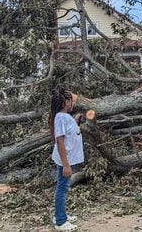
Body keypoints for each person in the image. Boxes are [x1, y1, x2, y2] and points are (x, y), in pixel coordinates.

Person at [48, 88, 84, 231]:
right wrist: (66, 165)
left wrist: (75, 121)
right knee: (62, 188)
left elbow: (69, 132)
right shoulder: (61, 118)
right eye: (71, 101)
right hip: (65, 159)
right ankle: (60, 221)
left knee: (63, 187)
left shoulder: (64, 116)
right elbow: (60, 141)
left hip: (66, 159)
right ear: (65, 102)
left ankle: (60, 214)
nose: (73, 103)